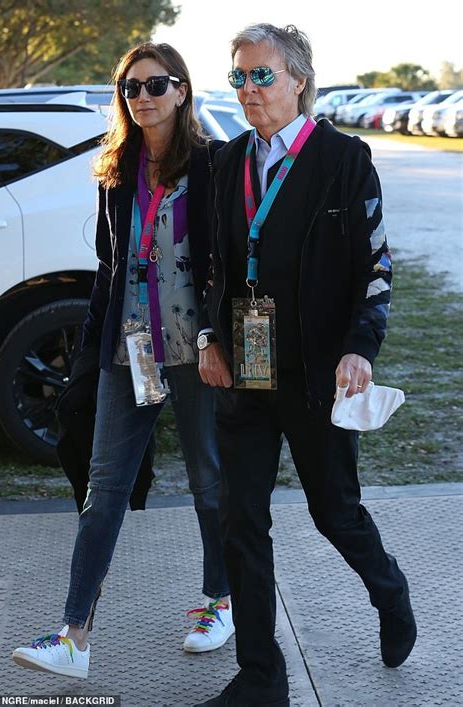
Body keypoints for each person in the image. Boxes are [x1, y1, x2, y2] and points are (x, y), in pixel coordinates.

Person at [196, 23, 417, 707]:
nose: (248, 89)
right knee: (240, 518)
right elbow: (208, 264)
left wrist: (361, 345)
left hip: (319, 374)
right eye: (238, 76)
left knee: (334, 512)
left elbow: (375, 265)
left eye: (262, 75)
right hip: (247, 367)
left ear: (298, 79)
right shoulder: (224, 161)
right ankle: (261, 674)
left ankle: (390, 587)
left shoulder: (345, 160)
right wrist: (208, 336)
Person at [12, 41, 233, 680]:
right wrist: (88, 357)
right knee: (102, 489)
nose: (142, 96)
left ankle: (219, 601)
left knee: (207, 476)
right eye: (131, 87)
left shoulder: (214, 165)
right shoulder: (116, 170)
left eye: (156, 85)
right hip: (128, 347)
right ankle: (75, 634)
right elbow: (110, 271)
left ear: (182, 91)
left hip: (197, 349)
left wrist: (225, 339)